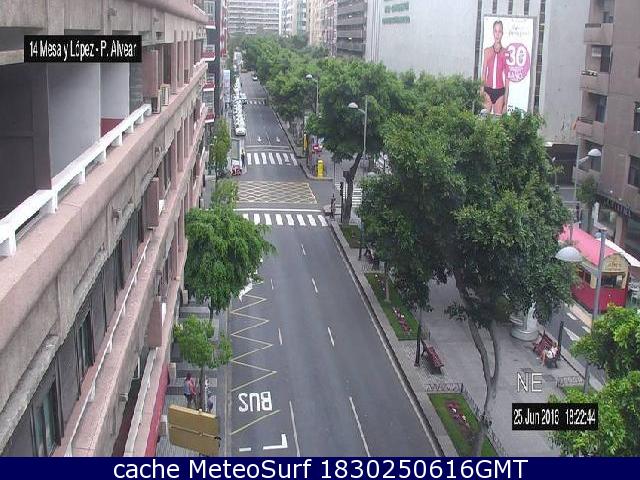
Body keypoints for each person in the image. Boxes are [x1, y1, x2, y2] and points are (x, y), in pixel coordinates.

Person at [481, 20, 510, 116]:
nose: (497, 34)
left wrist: (506, 102)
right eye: (495, 31)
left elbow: (507, 79)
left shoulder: (505, 53)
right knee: (484, 118)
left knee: (497, 121)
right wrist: (481, 90)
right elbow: (484, 73)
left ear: (502, 33)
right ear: (493, 32)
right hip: (487, 90)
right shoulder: (487, 51)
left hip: (500, 92)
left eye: (499, 31)